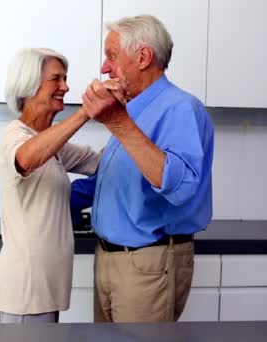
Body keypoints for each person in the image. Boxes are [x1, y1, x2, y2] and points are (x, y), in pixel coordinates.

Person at [74, 14, 215, 322]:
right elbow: (119, 177)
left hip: (146, 263)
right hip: (110, 258)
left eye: (111, 56)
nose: (104, 67)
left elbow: (181, 189)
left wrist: (117, 122)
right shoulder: (133, 109)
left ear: (143, 57)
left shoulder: (180, 108)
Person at [0, 48, 100, 323]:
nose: (65, 87)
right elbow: (27, 158)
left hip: (43, 290)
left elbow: (101, 163)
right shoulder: (14, 135)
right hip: (25, 291)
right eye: (56, 79)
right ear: (29, 85)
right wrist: (85, 113)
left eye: (65, 79)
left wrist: (128, 119)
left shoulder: (54, 146)